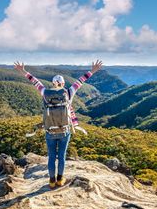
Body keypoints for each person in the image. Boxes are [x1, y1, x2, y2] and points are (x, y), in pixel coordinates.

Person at [14, 60, 103, 188]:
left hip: (50, 131)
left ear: (52, 84)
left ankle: (51, 181)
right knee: (61, 156)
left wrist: (22, 70)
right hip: (64, 131)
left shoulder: (45, 93)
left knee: (51, 157)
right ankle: (60, 179)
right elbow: (81, 81)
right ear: (63, 83)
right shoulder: (68, 92)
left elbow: (34, 81)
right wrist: (93, 70)